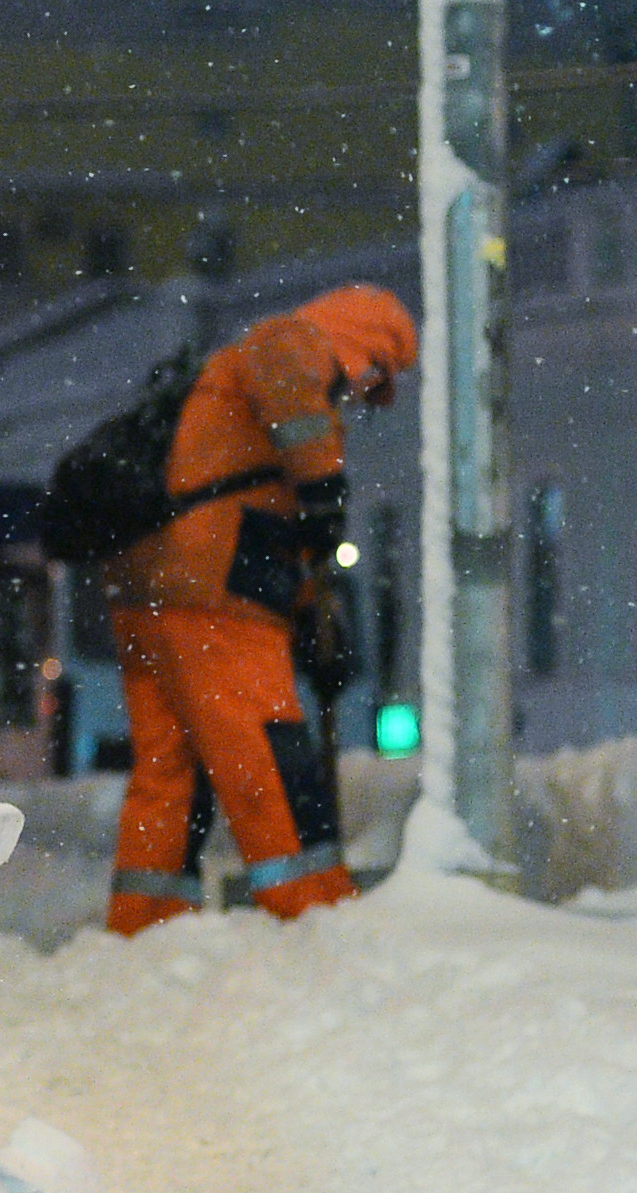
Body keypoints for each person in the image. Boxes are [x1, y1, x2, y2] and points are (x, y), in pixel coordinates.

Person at [103, 282, 416, 934]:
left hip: (148, 593)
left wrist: (305, 613)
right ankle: (317, 918)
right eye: (375, 377)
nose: (361, 397)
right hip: (215, 602)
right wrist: (326, 488)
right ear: (368, 346)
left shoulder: (232, 387)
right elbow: (292, 404)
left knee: (170, 775)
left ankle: (144, 924)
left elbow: (247, 506)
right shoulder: (293, 343)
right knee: (272, 762)